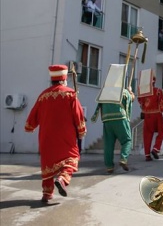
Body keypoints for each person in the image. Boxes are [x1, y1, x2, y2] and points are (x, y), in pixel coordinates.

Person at [25, 65, 87, 203]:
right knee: (72, 157)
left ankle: (47, 194)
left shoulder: (43, 96)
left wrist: (30, 127)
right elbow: (78, 115)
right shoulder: (70, 94)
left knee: (47, 164)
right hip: (66, 136)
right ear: (64, 79)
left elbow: (33, 116)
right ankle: (62, 179)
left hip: (46, 137)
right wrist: (81, 131)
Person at [91, 86, 135, 174]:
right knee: (127, 140)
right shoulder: (123, 91)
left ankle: (109, 166)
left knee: (108, 144)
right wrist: (130, 93)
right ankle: (123, 158)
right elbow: (130, 99)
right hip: (120, 118)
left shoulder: (104, 92)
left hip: (107, 120)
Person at [138, 75, 163, 161]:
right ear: (154, 81)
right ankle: (155, 149)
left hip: (147, 115)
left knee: (147, 135)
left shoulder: (143, 93)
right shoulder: (158, 91)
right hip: (156, 114)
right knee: (161, 132)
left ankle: (147, 155)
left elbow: (140, 102)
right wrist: (161, 109)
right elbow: (162, 105)